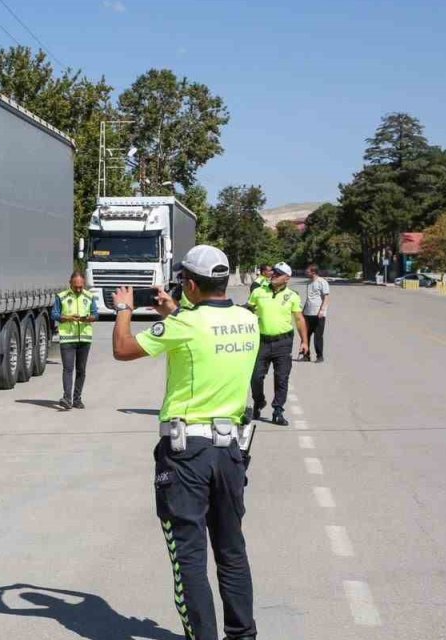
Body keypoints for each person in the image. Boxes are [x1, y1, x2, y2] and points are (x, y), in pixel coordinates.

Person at [111, 245, 260, 640]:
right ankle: (242, 635)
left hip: (186, 455)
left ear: (190, 284)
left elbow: (123, 349)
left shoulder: (185, 325)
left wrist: (125, 308)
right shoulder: (248, 320)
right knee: (231, 552)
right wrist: (173, 312)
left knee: (189, 558)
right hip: (230, 452)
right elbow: (207, 332)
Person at [246, 262, 308, 426]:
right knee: (256, 377)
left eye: (278, 274)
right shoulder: (258, 292)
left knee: (281, 378)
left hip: (283, 342)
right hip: (261, 341)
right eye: (273, 272)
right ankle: (259, 402)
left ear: (287, 278)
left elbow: (299, 319)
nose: (273, 275)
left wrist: (305, 341)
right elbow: (248, 312)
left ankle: (278, 410)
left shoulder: (292, 296)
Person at [52, 272, 98, 410]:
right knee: (68, 368)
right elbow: (54, 314)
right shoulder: (61, 297)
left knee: (81, 370)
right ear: (70, 283)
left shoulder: (89, 296)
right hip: (67, 338)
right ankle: (67, 398)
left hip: (84, 338)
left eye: (80, 287)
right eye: (75, 286)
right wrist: (67, 318)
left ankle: (77, 399)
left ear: (84, 284)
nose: (78, 289)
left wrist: (89, 318)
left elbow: (96, 314)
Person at [302, 264, 330, 362]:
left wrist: (322, 310)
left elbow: (326, 297)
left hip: (318, 313)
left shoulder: (322, 282)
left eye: (308, 271)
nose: (306, 273)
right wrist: (303, 311)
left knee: (318, 336)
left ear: (313, 272)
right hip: (307, 313)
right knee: (306, 335)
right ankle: (306, 355)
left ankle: (319, 356)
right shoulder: (309, 283)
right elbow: (309, 298)